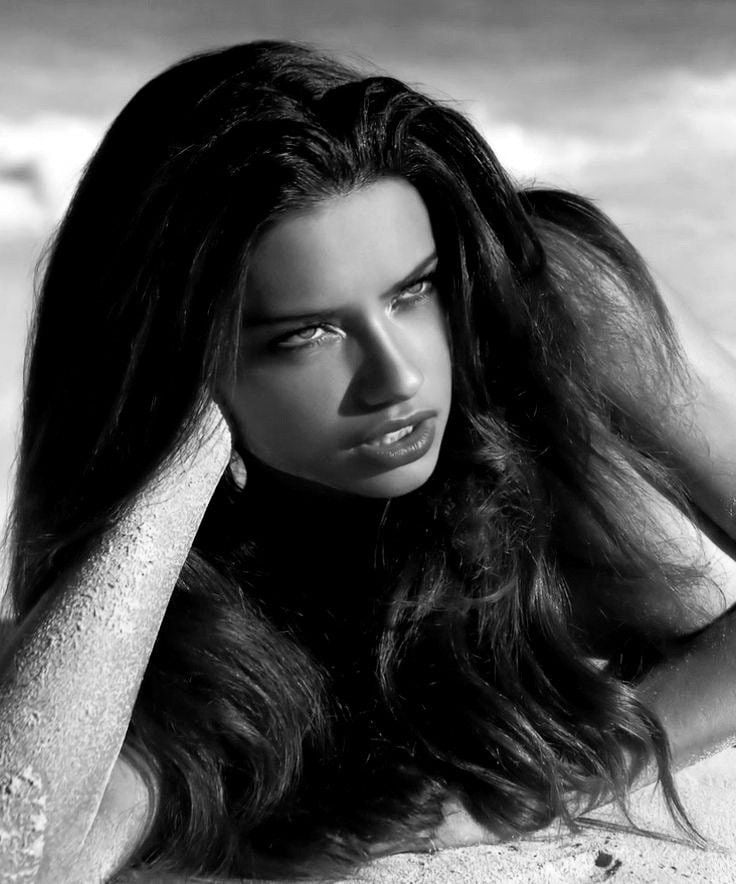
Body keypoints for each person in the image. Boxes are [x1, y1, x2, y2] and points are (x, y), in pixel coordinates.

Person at [0, 40, 735, 883]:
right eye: (307, 334)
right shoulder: (197, 628)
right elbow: (22, 851)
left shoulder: (548, 311)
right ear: (186, 364)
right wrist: (174, 466)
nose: (400, 378)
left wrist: (554, 783)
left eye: (411, 292)